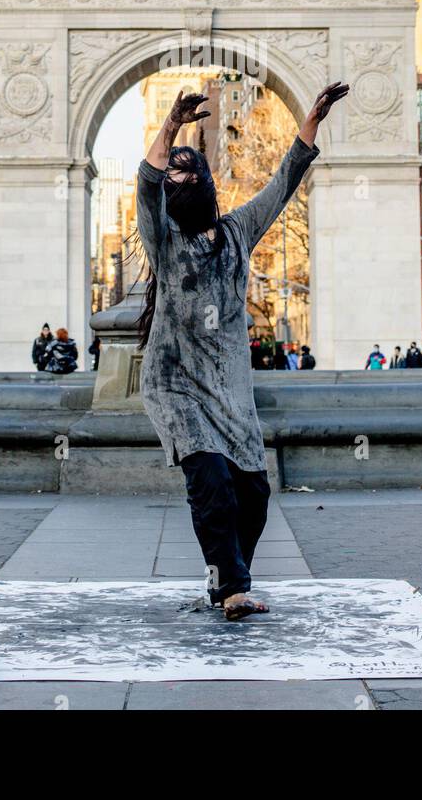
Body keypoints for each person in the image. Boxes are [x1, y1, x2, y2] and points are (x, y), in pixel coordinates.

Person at [136, 81, 349, 622]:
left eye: (189, 174)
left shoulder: (237, 233)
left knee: (252, 494)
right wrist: (171, 127)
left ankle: (225, 577)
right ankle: (233, 588)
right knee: (210, 482)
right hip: (176, 382)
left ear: (207, 183)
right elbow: (146, 182)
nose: (180, 182)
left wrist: (311, 121)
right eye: (174, 177)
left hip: (229, 389)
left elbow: (283, 184)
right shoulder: (165, 241)